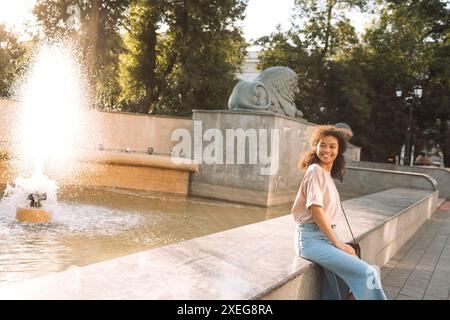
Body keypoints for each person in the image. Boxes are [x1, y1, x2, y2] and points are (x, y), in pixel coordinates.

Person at [292, 125, 387, 300]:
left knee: (338, 284)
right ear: (316, 147)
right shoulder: (315, 170)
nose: (326, 150)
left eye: (332, 146)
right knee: (369, 274)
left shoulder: (327, 175)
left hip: (325, 239)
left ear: (339, 151)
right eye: (322, 145)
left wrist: (336, 242)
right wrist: (339, 244)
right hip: (312, 240)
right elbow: (315, 210)